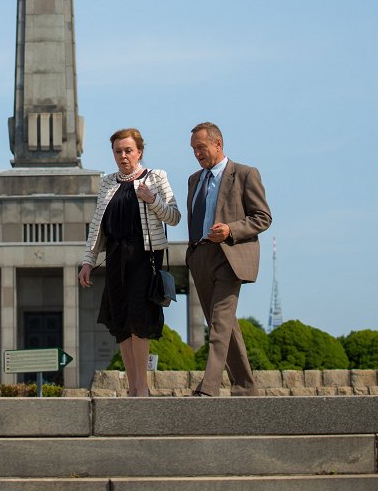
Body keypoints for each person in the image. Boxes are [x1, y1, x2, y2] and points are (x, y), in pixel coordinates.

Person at [78, 128, 180, 397]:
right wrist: (88, 261)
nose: (123, 156)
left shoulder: (156, 177)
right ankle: (132, 386)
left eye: (128, 150)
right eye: (118, 151)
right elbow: (96, 227)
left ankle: (141, 386)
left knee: (139, 320)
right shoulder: (107, 182)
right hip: (115, 257)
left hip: (144, 257)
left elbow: (174, 216)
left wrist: (152, 199)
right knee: (121, 322)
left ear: (139, 152)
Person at [186, 122, 272, 396]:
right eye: (193, 149)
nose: (197, 153)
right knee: (222, 324)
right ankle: (245, 386)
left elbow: (263, 217)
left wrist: (230, 230)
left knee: (220, 323)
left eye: (201, 147)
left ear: (218, 144)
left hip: (230, 256)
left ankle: (209, 386)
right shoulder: (193, 180)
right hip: (200, 256)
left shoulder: (246, 174)